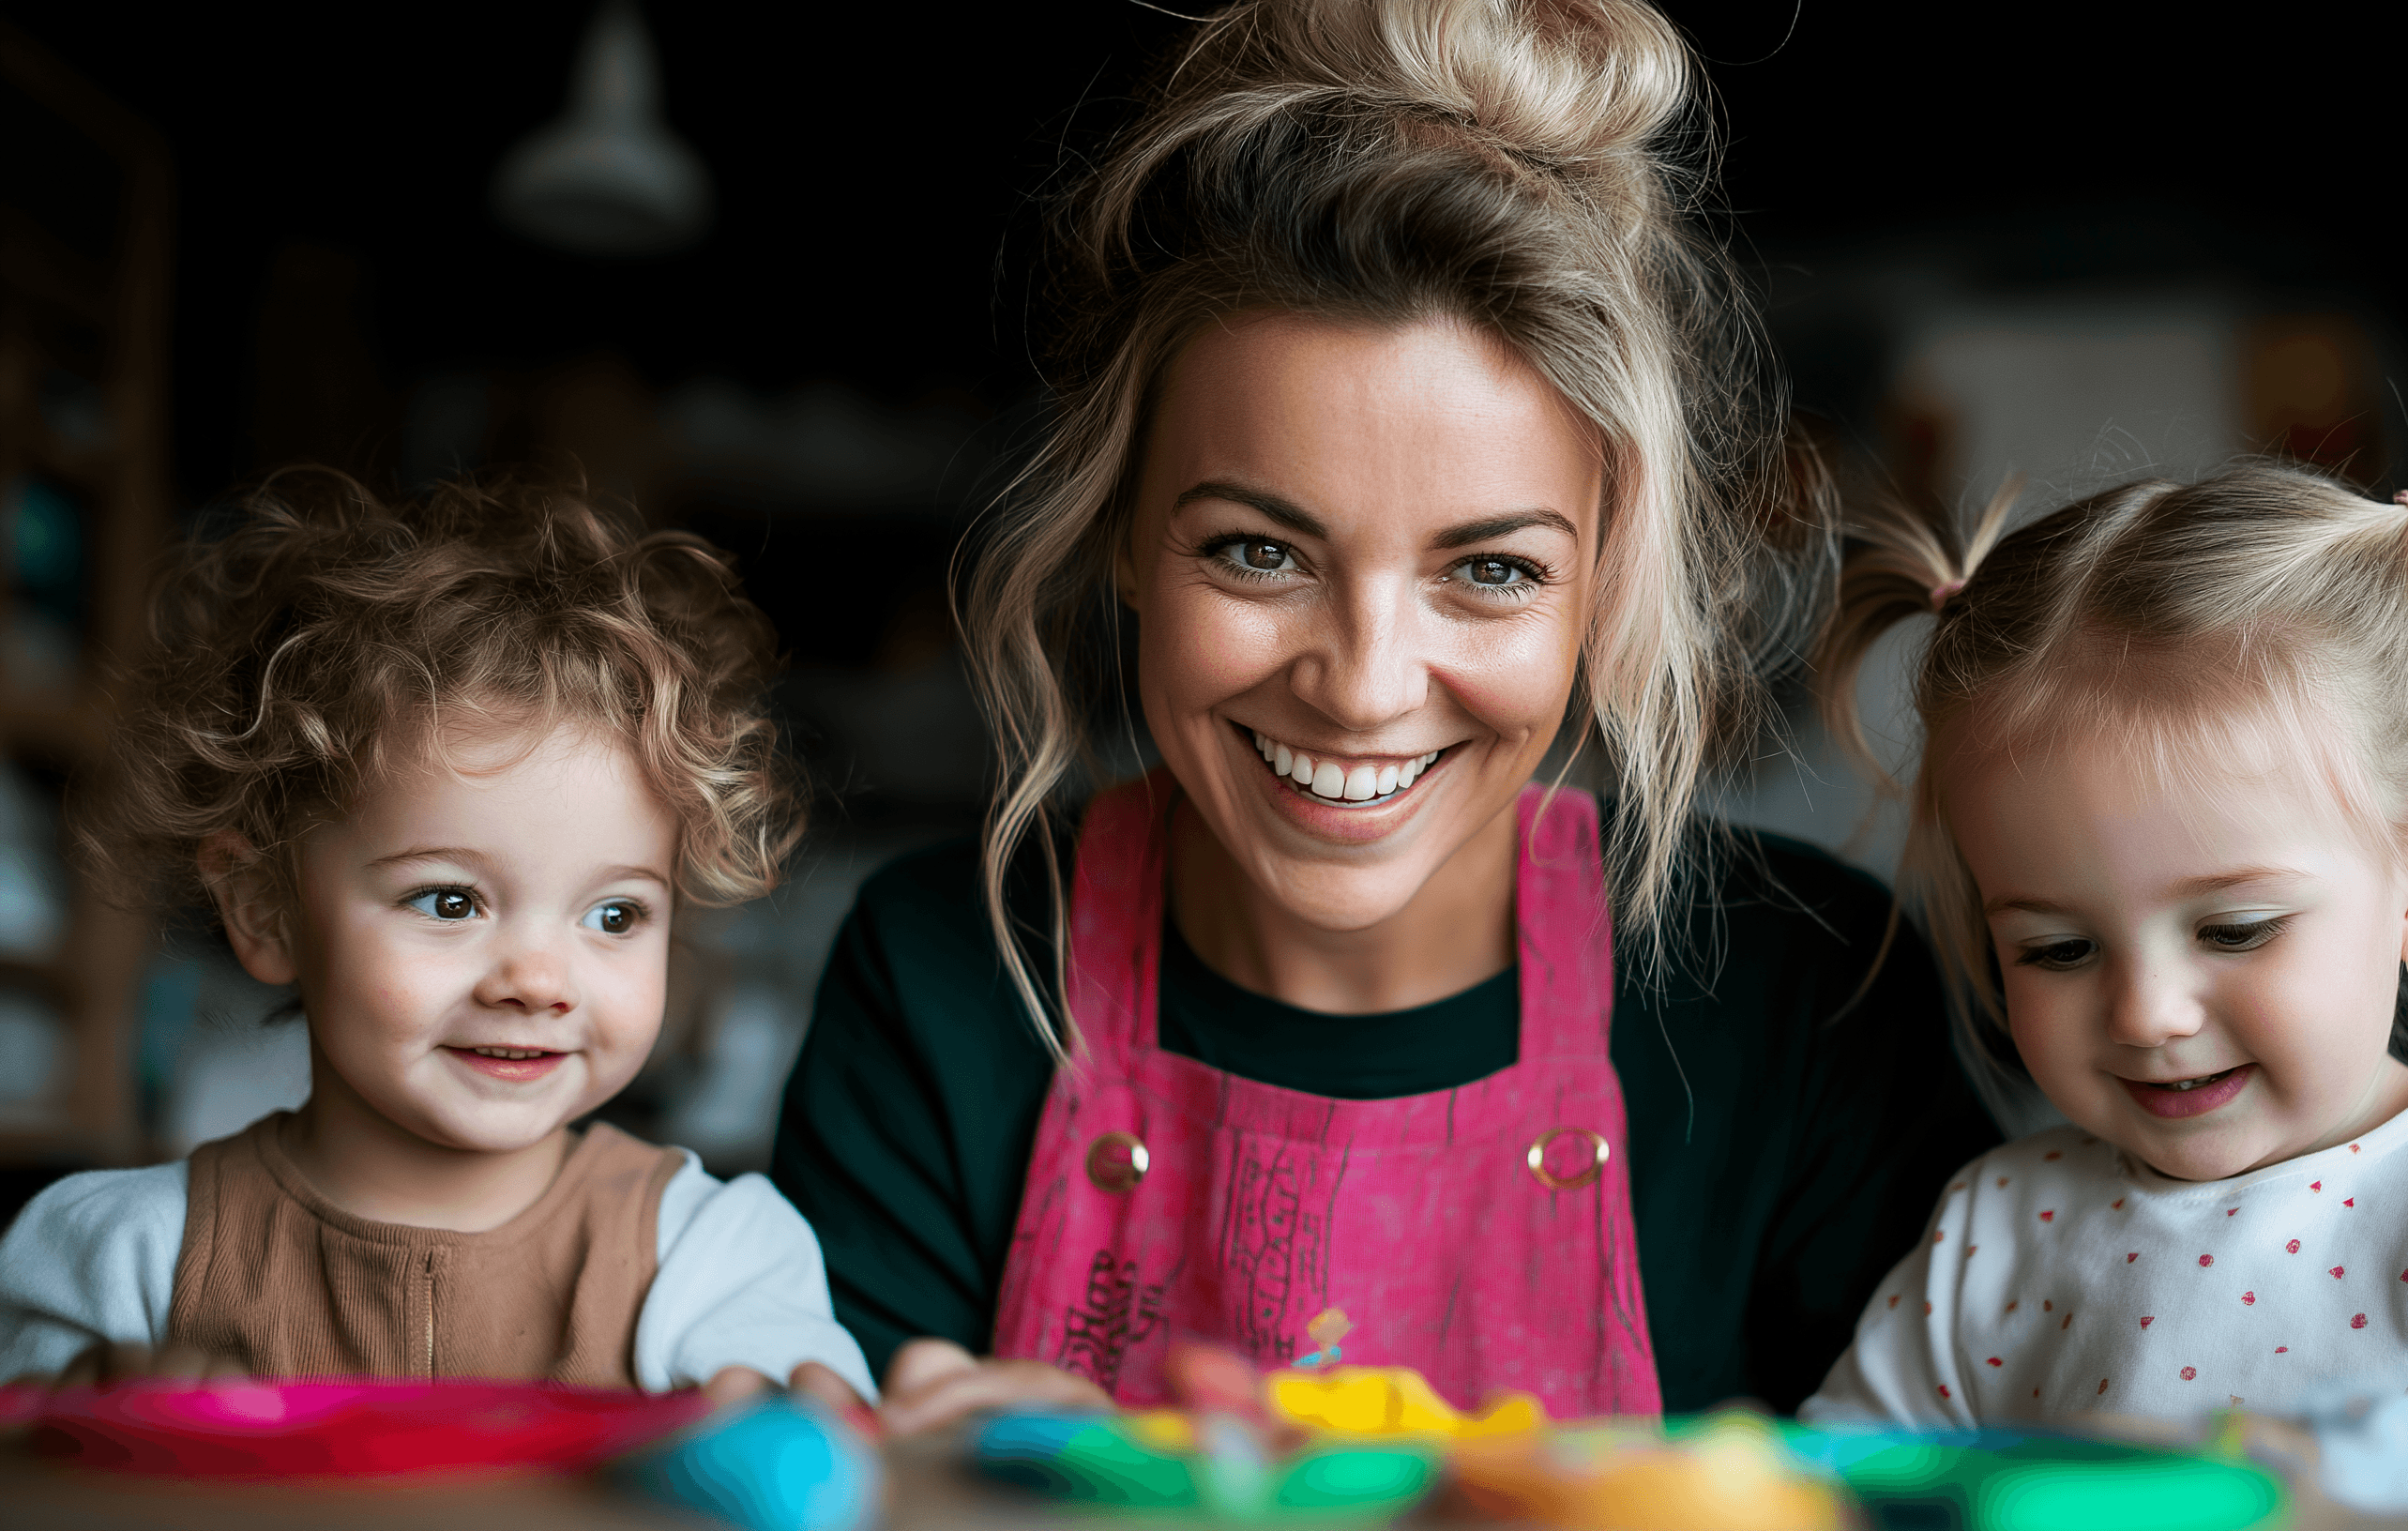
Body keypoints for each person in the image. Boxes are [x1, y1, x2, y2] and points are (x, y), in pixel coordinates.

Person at [770, 0, 1996, 1432]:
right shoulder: (942, 979)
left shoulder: (1806, 1000)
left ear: (1604, 579)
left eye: (1490, 571)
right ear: (1119, 531)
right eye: (1258, 551)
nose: (1361, 684)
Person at [1800, 439, 2408, 1504]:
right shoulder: (1998, 1225)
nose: (2146, 1013)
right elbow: (1835, 1495)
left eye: (2235, 929)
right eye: (2056, 948)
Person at [0, 472, 874, 1407]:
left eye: (613, 915)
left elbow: (829, 1469)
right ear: (262, 909)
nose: (539, 981)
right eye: (450, 902)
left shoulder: (713, 1264)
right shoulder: (120, 1261)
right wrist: (86, 1433)